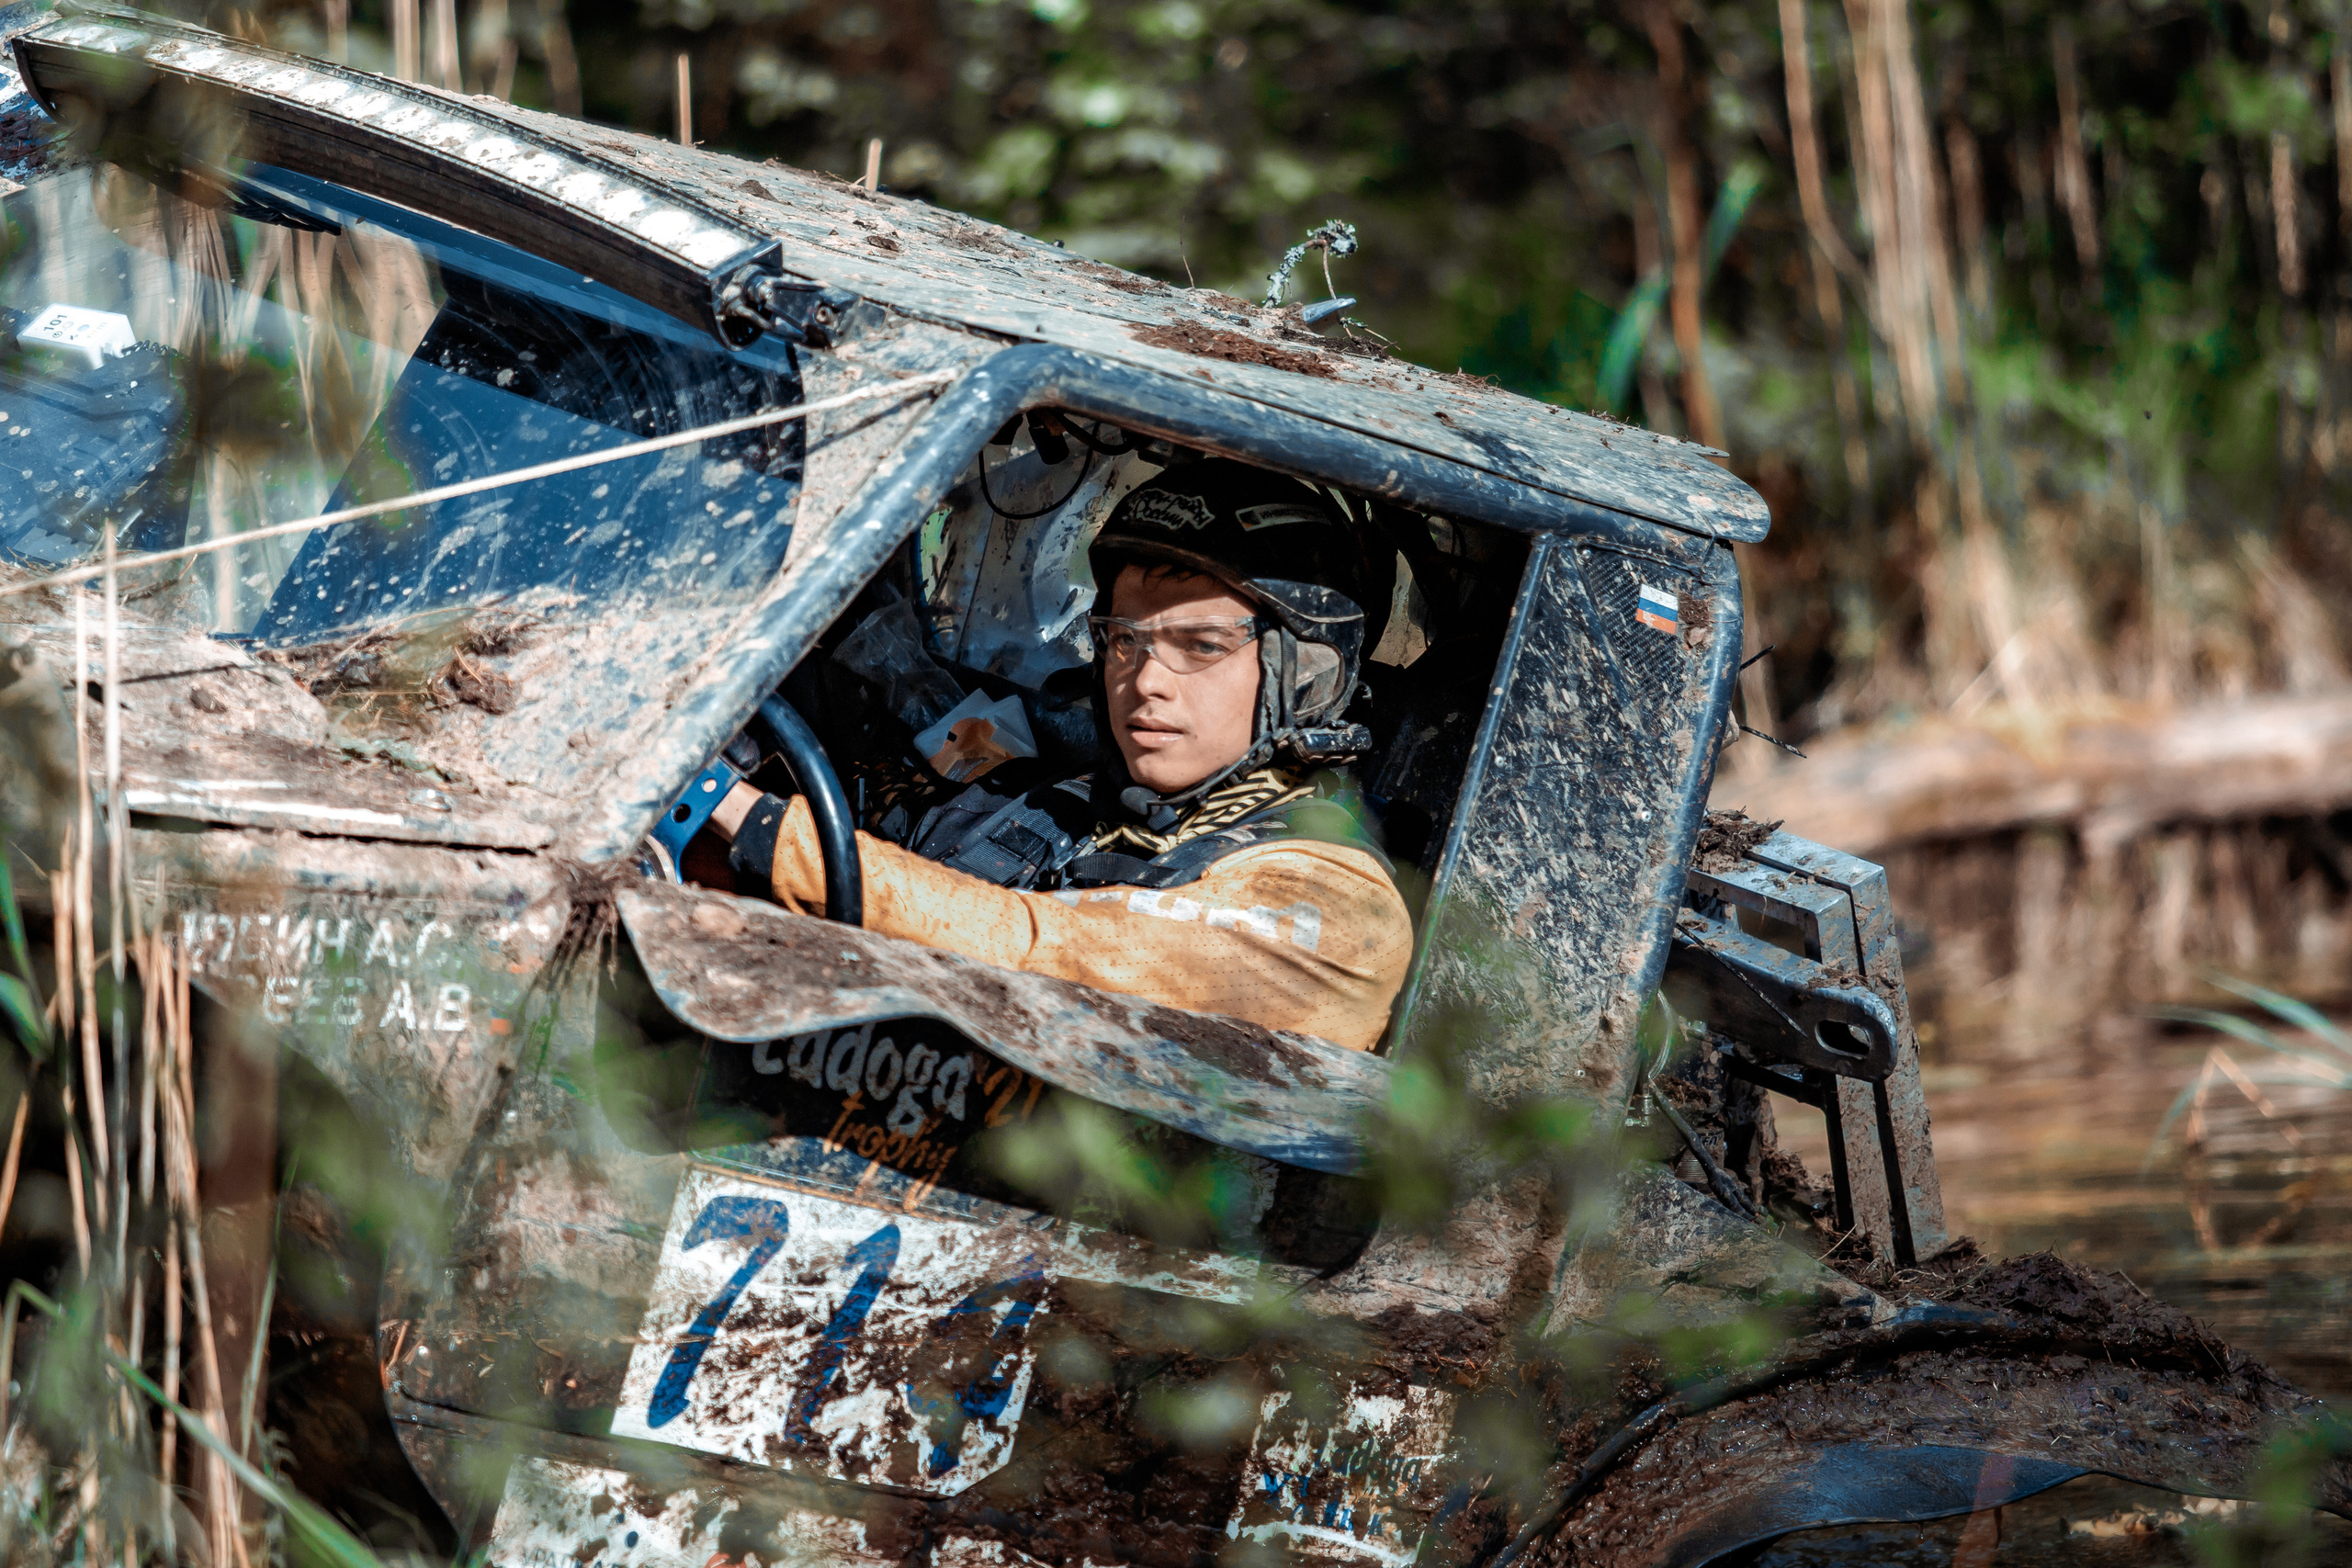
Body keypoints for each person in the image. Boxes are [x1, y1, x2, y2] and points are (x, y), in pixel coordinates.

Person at [707, 459, 1413, 1052]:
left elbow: (1043, 950)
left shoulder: (1340, 914)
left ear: (1306, 675)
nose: (1145, 680)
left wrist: (732, 811)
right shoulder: (1092, 800)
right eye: (1125, 640)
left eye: (1200, 646)